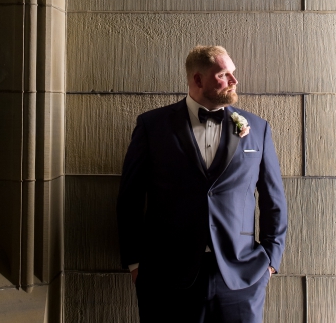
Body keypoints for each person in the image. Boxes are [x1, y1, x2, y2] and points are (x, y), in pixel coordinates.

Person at [117, 45, 287, 323]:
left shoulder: (258, 128)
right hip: (165, 276)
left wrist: (270, 259)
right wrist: (136, 263)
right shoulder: (153, 126)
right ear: (197, 79)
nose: (234, 80)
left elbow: (273, 199)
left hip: (242, 276)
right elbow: (130, 197)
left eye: (233, 73)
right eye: (223, 74)